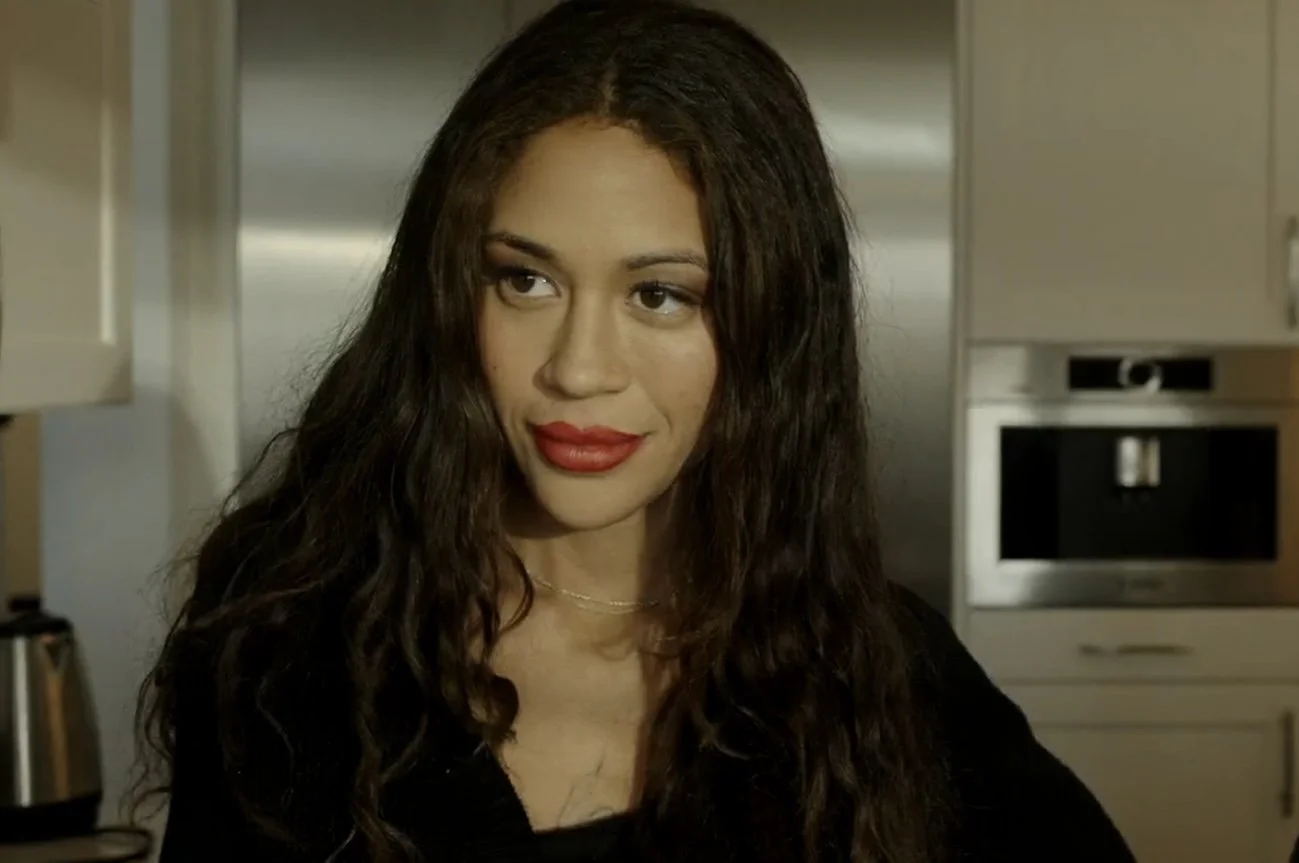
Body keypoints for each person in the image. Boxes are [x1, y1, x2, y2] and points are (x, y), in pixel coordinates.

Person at [134, 1, 1137, 861]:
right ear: (446, 295)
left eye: (661, 294)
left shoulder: (881, 676)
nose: (578, 367)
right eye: (524, 279)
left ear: (770, 327)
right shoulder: (288, 644)